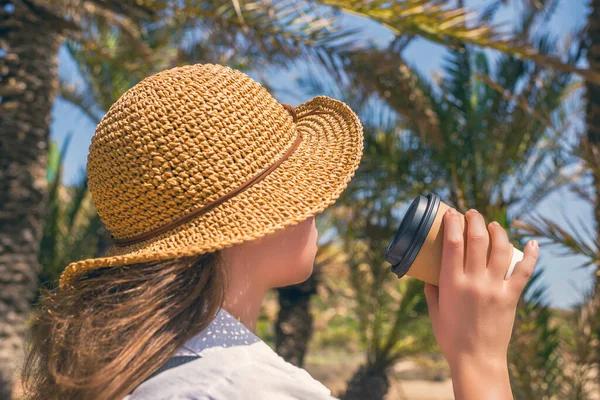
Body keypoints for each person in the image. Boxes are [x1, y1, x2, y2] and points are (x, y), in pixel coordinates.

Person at [22, 63, 539, 400]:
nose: (319, 203)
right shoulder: (252, 389)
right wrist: (480, 361)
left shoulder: (120, 375)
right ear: (249, 223)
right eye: (299, 187)